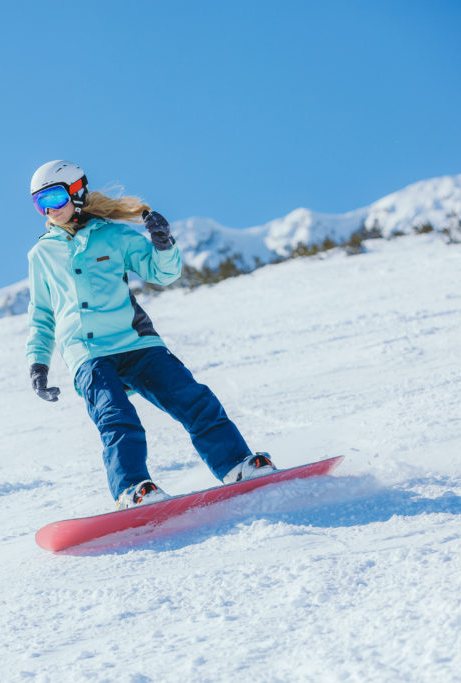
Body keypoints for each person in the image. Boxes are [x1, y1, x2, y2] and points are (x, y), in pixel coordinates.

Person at [25, 160, 275, 509]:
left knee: (193, 399)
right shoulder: (41, 254)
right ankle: (133, 489)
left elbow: (163, 273)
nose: (49, 209)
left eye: (54, 197)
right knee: (116, 418)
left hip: (136, 342)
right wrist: (38, 364)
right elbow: (41, 314)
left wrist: (163, 244)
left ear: (76, 191)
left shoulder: (114, 235)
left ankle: (237, 465)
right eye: (40, 203)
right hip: (87, 352)